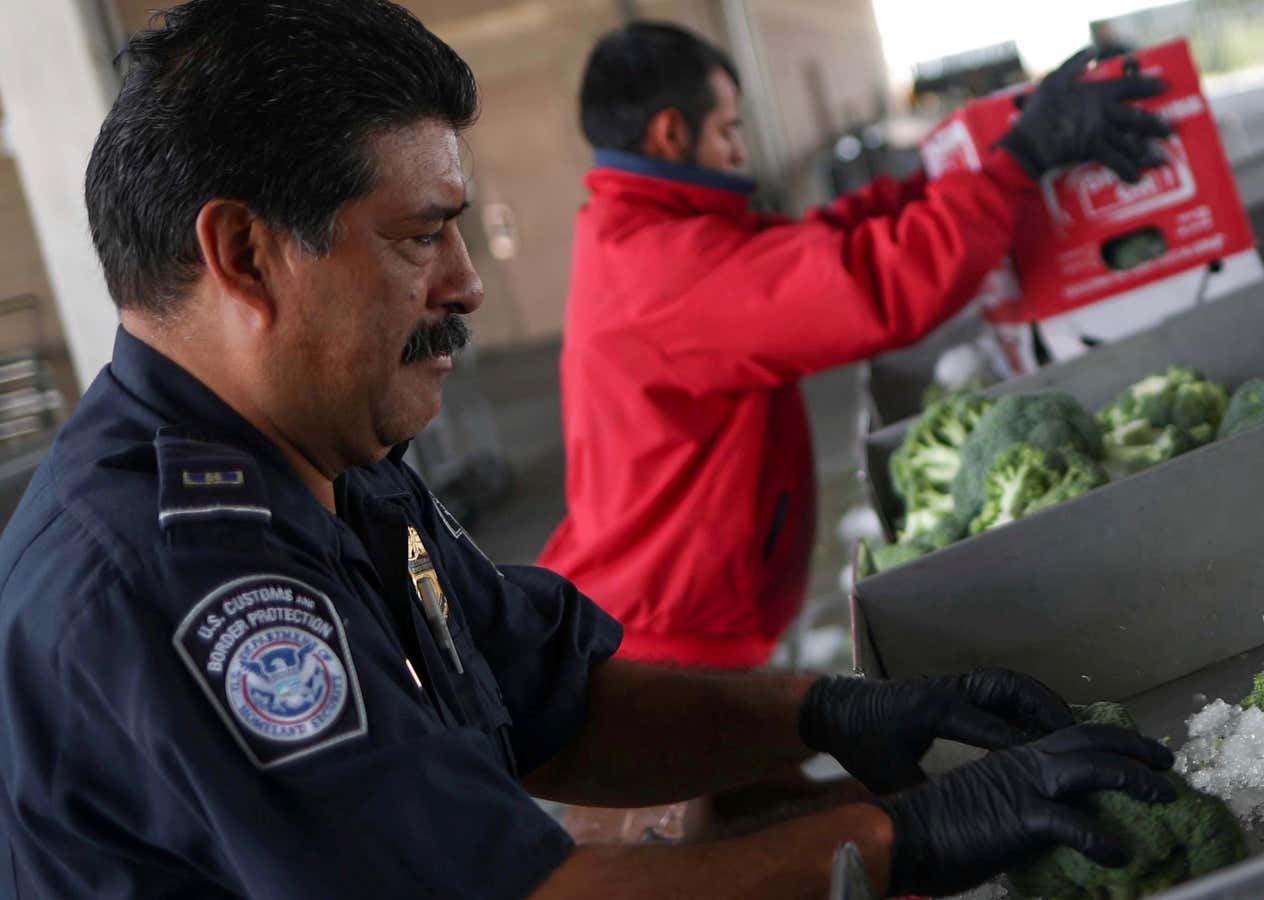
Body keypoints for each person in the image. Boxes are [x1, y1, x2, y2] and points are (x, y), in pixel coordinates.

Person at [0, 3, 1181, 898]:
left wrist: (829, 713)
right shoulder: (172, 579)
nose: (464, 285)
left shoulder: (326, 452)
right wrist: (902, 838)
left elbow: (547, 699)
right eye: (422, 236)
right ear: (247, 257)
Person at [539, 22, 1171, 669]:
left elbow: (807, 249)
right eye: (729, 131)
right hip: (657, 633)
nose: (739, 151)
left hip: (658, 606)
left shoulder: (634, 233)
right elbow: (871, 284)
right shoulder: (666, 269)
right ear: (670, 133)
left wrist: (932, 179)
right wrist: (1018, 164)